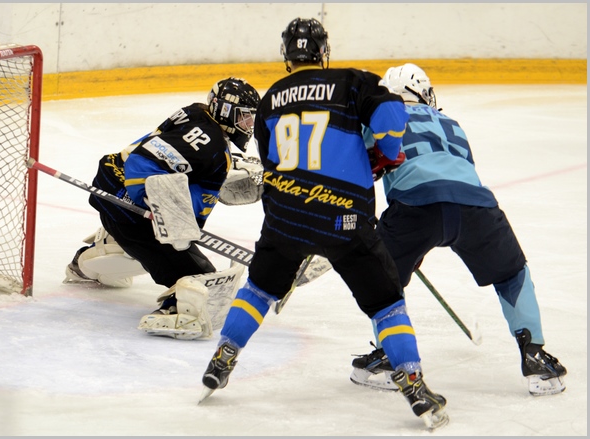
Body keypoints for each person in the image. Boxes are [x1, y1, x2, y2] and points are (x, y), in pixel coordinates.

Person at [199, 18, 449, 430]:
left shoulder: (270, 100)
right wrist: (387, 152)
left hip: (287, 218)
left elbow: (270, 160)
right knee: (386, 304)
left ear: (286, 55)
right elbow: (391, 113)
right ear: (323, 53)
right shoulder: (351, 82)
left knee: (259, 289)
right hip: (343, 218)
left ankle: (224, 355)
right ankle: (413, 384)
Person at [350, 63, 567, 397]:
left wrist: (402, 242)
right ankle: (535, 353)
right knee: (511, 273)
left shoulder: (383, 117)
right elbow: (453, 176)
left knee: (383, 278)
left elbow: (363, 169)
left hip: (414, 206)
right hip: (476, 207)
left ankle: (391, 356)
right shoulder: (451, 123)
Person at [64, 77, 264, 340]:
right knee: (203, 283)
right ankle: (176, 309)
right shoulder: (211, 143)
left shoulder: (198, 113)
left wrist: (222, 172)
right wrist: (160, 207)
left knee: (152, 247)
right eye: (244, 117)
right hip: (129, 208)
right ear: (225, 111)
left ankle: (104, 247)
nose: (248, 125)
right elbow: (141, 166)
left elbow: (177, 158)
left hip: (115, 189)